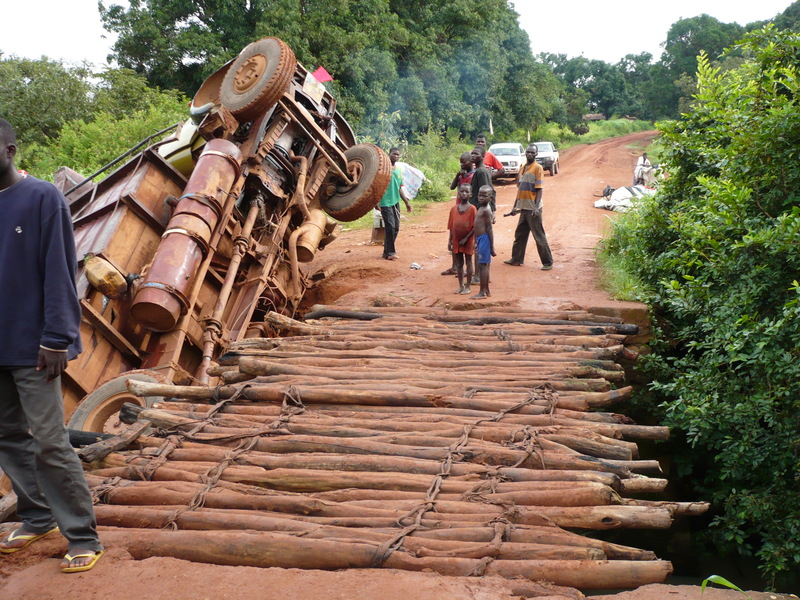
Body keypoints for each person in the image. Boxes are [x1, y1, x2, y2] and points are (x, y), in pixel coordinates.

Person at [0, 118, 103, 572]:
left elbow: (60, 269)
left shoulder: (43, 198)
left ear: (10, 150)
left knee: (49, 441)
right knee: (7, 436)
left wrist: (58, 338)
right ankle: (37, 516)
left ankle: (82, 535)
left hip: (36, 347)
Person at [504, 143, 553, 270]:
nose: (530, 154)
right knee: (520, 234)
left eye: (532, 152)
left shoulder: (538, 168)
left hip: (533, 209)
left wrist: (536, 208)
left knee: (539, 236)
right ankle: (516, 259)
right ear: (525, 153)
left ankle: (548, 263)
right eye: (528, 152)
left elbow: (539, 189)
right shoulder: (522, 167)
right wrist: (515, 207)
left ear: (536, 154)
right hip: (523, 208)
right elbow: (520, 190)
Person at [442, 152, 475, 276]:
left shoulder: (474, 175)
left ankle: (468, 269)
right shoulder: (462, 175)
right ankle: (455, 267)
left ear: (471, 162)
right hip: (458, 208)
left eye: (464, 162)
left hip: (468, 209)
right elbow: (452, 187)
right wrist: (458, 175)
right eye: (460, 162)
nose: (462, 165)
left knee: (468, 240)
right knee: (455, 236)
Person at [378, 147, 411, 260]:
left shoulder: (398, 170)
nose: (396, 156)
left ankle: (386, 252)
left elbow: (399, 188)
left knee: (396, 227)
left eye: (398, 155)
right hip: (384, 202)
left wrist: (406, 202)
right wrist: (376, 202)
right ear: (389, 154)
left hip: (395, 202)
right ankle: (390, 252)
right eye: (394, 154)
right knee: (390, 226)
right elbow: (377, 186)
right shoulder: (383, 170)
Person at [468, 146, 494, 284]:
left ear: (483, 156)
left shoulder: (481, 172)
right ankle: (482, 276)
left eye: (476, 154)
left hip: (480, 212)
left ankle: (478, 276)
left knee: (478, 245)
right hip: (478, 211)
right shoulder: (479, 170)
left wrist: (491, 211)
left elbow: (488, 191)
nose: (472, 156)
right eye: (472, 153)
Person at [447, 183, 476, 294]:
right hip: (456, 239)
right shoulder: (454, 209)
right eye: (462, 191)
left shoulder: (472, 209)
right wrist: (449, 241)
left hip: (468, 240)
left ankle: (468, 286)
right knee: (459, 263)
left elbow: (475, 227)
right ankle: (461, 285)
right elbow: (451, 226)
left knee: (469, 262)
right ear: (458, 194)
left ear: (470, 194)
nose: (464, 193)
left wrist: (466, 238)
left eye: (466, 192)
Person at [471, 185, 496, 299]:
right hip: (480, 239)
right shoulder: (481, 208)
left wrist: (491, 246)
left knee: (483, 265)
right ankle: (486, 290)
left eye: (484, 196)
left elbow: (489, 228)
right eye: (480, 195)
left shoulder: (486, 210)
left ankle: (482, 292)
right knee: (482, 265)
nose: (481, 198)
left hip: (484, 238)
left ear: (490, 198)